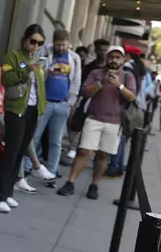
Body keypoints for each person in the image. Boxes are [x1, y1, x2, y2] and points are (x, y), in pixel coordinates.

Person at [57, 46, 136, 200]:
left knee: (103, 155)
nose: (114, 60)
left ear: (122, 59)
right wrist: (101, 83)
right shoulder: (96, 73)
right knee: (84, 152)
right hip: (93, 118)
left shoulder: (128, 76)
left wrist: (119, 85)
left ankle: (94, 185)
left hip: (115, 122)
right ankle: (70, 182)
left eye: (117, 57)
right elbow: (85, 91)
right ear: (107, 58)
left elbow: (131, 97)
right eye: (111, 57)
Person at [0, 24, 47, 213]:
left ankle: (7, 193)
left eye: (40, 43)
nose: (35, 46)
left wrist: (42, 108)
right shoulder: (13, 56)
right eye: (33, 41)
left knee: (20, 152)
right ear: (25, 38)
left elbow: (40, 86)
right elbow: (7, 78)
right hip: (16, 109)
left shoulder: (38, 59)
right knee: (11, 152)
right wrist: (25, 69)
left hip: (32, 110)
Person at [0, 68, 55, 195]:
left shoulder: (18, 81)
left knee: (20, 136)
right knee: (16, 135)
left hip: (10, 115)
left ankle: (23, 175)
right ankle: (34, 167)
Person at [32, 29, 81, 184]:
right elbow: (36, 73)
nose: (60, 48)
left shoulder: (74, 58)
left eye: (63, 45)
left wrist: (70, 102)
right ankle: (27, 168)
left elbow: (76, 81)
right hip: (45, 101)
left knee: (56, 141)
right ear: (53, 42)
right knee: (34, 137)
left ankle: (51, 172)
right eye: (58, 45)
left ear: (69, 43)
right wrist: (48, 72)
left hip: (62, 103)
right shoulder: (46, 52)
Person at [104, 45, 146, 179]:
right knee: (122, 138)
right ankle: (118, 165)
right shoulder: (139, 67)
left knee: (119, 139)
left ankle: (114, 166)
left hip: (122, 104)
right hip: (129, 105)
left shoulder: (127, 68)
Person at [65, 39, 110, 162]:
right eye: (100, 50)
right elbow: (82, 84)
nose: (103, 53)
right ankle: (74, 148)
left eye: (105, 50)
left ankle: (94, 152)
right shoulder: (90, 67)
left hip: (104, 104)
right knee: (78, 124)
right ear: (95, 51)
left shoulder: (111, 68)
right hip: (87, 100)